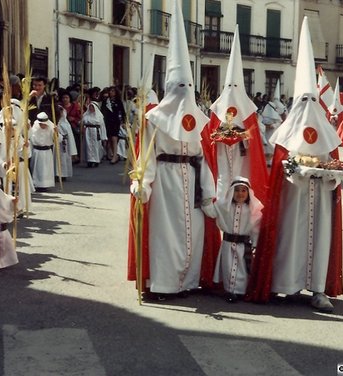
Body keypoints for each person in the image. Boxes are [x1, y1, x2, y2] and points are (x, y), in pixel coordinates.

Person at [246, 17, 343, 313]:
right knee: (290, 239)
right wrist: (296, 170)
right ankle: (284, 284)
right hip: (292, 197)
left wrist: (331, 174)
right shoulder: (286, 130)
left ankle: (318, 290)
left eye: (310, 99)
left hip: (321, 200)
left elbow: (334, 162)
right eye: (302, 99)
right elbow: (279, 166)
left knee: (320, 241)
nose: (306, 104)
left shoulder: (328, 132)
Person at [128, 0, 216, 300]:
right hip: (165, 183)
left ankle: (187, 282)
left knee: (194, 232)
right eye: (178, 86)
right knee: (166, 235)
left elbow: (203, 158)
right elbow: (147, 155)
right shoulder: (154, 118)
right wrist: (143, 183)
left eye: (187, 86)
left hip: (190, 180)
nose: (183, 92)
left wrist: (207, 191)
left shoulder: (199, 118)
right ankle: (163, 283)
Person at [205, 25, 268, 204]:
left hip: (243, 157)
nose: (232, 92)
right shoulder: (217, 109)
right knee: (223, 182)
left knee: (243, 184)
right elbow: (210, 136)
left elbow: (255, 138)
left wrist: (242, 136)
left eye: (236, 87)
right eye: (229, 87)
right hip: (222, 155)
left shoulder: (248, 110)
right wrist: (221, 137)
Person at [210, 177, 263, 303]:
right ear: (232, 192)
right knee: (228, 267)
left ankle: (241, 291)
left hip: (243, 245)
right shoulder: (223, 207)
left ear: (248, 193)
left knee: (242, 268)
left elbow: (255, 229)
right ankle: (230, 291)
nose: (240, 194)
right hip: (228, 244)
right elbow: (211, 212)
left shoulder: (253, 211)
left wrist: (255, 244)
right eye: (237, 190)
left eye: (243, 191)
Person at [29, 112, 61, 191]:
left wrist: (56, 133)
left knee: (46, 170)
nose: (42, 126)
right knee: (37, 169)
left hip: (47, 152)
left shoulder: (51, 128)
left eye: (44, 124)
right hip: (36, 152)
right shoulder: (34, 128)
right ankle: (36, 184)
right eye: (41, 124)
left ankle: (45, 185)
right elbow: (30, 138)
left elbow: (58, 140)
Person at [101, 86, 126, 164]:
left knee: (114, 138)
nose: (111, 92)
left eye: (113, 91)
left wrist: (123, 121)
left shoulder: (118, 101)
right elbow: (103, 111)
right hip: (107, 121)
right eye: (110, 91)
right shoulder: (105, 101)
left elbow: (122, 112)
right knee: (109, 138)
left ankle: (115, 155)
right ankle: (112, 153)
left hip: (115, 121)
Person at [55, 106, 77, 179]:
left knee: (64, 159)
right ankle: (57, 174)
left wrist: (72, 149)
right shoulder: (55, 123)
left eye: (61, 112)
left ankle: (64, 174)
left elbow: (70, 136)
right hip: (57, 143)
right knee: (57, 158)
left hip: (64, 144)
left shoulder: (66, 124)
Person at [82, 102, 106, 168]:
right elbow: (83, 123)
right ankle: (89, 160)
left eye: (92, 107)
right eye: (90, 107)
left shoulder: (99, 116)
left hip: (96, 131)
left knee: (96, 145)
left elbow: (102, 126)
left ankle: (96, 160)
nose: (91, 108)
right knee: (88, 145)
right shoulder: (86, 115)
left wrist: (103, 136)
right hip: (88, 131)